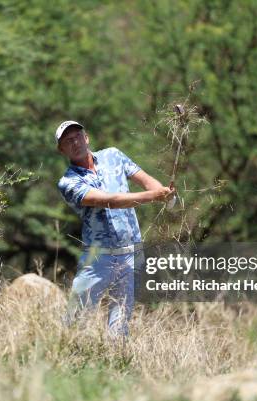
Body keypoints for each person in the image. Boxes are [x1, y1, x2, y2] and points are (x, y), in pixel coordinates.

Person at [56, 120, 175, 337]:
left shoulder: (114, 155)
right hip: (98, 258)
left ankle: (117, 363)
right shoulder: (68, 182)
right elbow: (111, 201)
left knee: (120, 323)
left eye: (78, 136)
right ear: (61, 150)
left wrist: (164, 193)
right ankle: (65, 358)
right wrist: (152, 197)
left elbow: (148, 182)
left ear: (87, 137)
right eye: (68, 141)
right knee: (75, 320)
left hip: (130, 253)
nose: (75, 142)